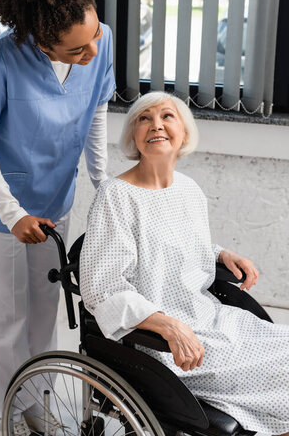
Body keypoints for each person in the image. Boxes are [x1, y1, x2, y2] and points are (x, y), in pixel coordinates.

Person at [0, 0, 115, 436]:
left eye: (93, 36)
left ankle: (37, 404)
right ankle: (8, 416)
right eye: (75, 50)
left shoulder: (100, 39)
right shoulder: (2, 57)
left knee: (45, 316)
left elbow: (95, 113)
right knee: (4, 326)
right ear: (38, 37)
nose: (90, 51)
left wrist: (104, 182)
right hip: (0, 212)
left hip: (56, 200)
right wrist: (13, 214)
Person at [80, 91, 289, 435]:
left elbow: (180, 250)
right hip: (160, 344)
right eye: (144, 118)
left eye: (167, 116)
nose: (156, 125)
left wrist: (220, 254)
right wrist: (169, 326)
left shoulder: (188, 189)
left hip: (212, 318)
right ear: (133, 134)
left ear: (184, 134)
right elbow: (103, 288)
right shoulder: (116, 196)